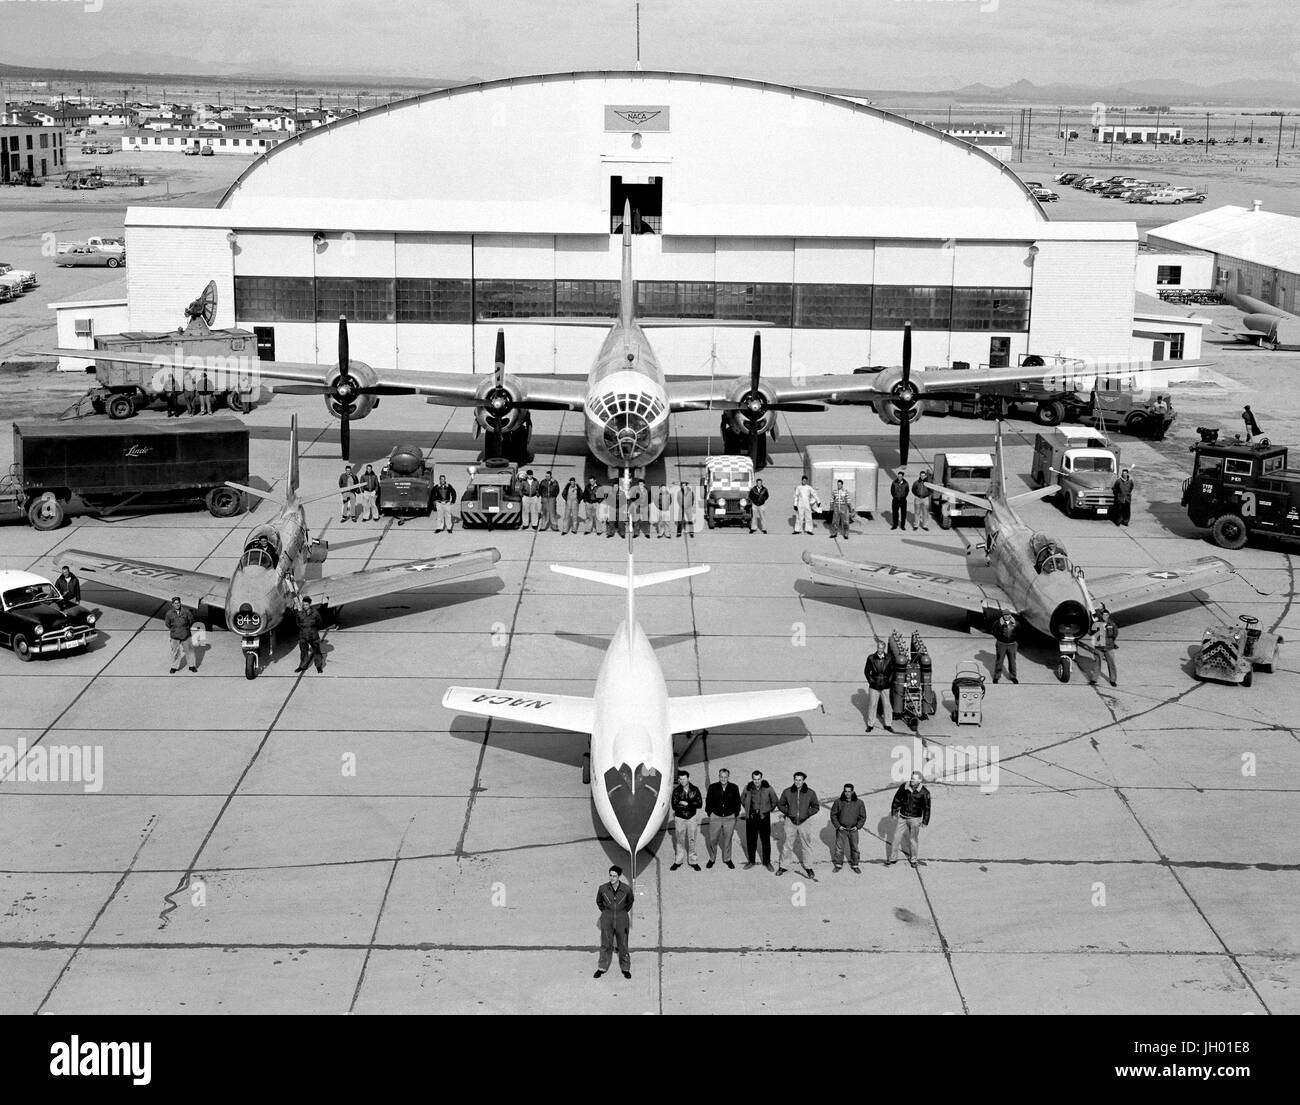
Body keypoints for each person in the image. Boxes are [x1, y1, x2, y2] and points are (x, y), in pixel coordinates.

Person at [776, 771, 820, 879]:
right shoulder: (787, 792)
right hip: (790, 822)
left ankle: (808, 867)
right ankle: (783, 866)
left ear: (803, 780)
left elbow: (816, 806)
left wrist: (807, 814)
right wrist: (789, 812)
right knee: (787, 844)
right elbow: (780, 804)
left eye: (800, 780)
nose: (798, 782)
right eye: (796, 779)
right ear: (793, 780)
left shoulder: (810, 793)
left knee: (806, 845)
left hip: (804, 822)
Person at [593, 865, 634, 980]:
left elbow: (630, 902)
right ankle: (602, 967)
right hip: (607, 918)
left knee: (623, 944)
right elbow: (599, 901)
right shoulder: (603, 888)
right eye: (610, 875)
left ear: (619, 876)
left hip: (622, 918)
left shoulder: (626, 889)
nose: (612, 878)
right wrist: (607, 912)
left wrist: (621, 912)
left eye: (614, 876)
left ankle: (625, 968)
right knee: (605, 944)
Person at [887, 770, 931, 868]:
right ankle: (893, 858)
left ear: (919, 781)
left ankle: (913, 859)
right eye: (911, 778)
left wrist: (925, 821)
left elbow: (927, 808)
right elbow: (897, 799)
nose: (911, 780)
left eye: (914, 779)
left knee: (913, 840)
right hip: (902, 817)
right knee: (896, 837)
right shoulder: (904, 787)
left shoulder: (924, 792)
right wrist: (894, 812)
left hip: (915, 819)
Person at [704, 768, 741, 869]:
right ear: (719, 776)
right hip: (715, 816)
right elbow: (708, 801)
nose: (723, 779)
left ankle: (727, 859)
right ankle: (712, 858)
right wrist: (710, 813)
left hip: (729, 817)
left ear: (728, 777)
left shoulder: (734, 787)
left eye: (725, 777)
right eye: (721, 777)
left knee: (728, 839)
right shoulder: (712, 787)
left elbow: (737, 802)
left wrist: (735, 814)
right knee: (713, 839)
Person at [741, 769, 777, 870]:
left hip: (764, 817)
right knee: (751, 840)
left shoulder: (768, 788)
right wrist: (748, 809)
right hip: (751, 817)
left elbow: (775, 801)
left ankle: (767, 862)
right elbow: (742, 799)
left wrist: (767, 810)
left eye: (758, 779)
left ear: (761, 779)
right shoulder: (747, 788)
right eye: (754, 779)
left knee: (765, 840)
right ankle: (751, 861)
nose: (757, 781)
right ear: (752, 779)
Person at [669, 769, 703, 871]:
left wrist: (686, 803)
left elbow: (700, 804)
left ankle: (693, 861)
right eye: (680, 779)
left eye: (684, 779)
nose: (682, 781)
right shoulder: (676, 791)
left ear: (688, 778)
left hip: (691, 818)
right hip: (679, 818)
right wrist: (690, 805)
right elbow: (675, 806)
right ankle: (678, 861)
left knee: (692, 839)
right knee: (679, 840)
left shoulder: (695, 789)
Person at [830, 783, 866, 873]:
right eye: (845, 791)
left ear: (853, 792)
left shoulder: (859, 803)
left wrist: (858, 827)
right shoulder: (838, 802)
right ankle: (838, 865)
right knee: (839, 848)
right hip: (842, 830)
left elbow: (863, 816)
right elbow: (833, 815)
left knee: (855, 848)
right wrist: (838, 826)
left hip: (853, 830)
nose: (847, 793)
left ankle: (855, 865)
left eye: (849, 791)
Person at [863, 639, 896, 732]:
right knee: (872, 705)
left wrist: (888, 681)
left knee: (887, 705)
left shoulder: (889, 658)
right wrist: (871, 681)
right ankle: (870, 724)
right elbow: (866, 671)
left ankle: (888, 724)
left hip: (885, 685)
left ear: (884, 648)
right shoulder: (871, 658)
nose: (879, 650)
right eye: (878, 648)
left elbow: (892, 671)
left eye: (881, 648)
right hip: (874, 685)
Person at [1087, 605, 1119, 687]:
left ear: (1108, 616)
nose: (1105, 617)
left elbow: (1115, 634)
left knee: (1111, 664)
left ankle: (1113, 680)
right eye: (1104, 615)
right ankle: (1094, 679)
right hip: (1099, 647)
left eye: (1106, 615)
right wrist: (1091, 620)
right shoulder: (1097, 624)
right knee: (1097, 664)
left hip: (1109, 647)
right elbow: (1090, 632)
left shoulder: (1112, 624)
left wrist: (1111, 642)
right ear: (1102, 616)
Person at [163, 596, 196, 673]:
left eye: (178, 603)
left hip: (186, 634)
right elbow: (167, 624)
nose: (177, 604)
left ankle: (192, 666)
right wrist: (174, 629)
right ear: (172, 604)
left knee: (189, 651)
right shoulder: (169, 613)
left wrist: (186, 628)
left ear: (180, 603)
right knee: (175, 652)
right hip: (175, 635)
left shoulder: (186, 612)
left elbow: (191, 620)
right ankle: (174, 667)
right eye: (175, 603)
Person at [294, 596, 325, 673]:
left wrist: (313, 628)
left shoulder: (315, 613)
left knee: (317, 651)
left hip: (313, 635)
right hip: (303, 635)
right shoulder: (300, 613)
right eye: (304, 605)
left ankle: (318, 666)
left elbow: (320, 622)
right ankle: (302, 666)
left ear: (310, 604)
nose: (305, 606)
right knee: (303, 652)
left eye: (306, 605)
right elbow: (297, 623)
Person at [992, 612, 1020, 684]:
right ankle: (996, 676)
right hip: (1001, 644)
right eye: (1005, 615)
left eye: (1008, 615)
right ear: (1003, 615)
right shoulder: (998, 623)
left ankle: (1013, 677)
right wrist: (999, 638)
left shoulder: (1016, 623)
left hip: (1012, 645)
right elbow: (993, 631)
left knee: (1012, 662)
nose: (1006, 616)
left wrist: (1014, 639)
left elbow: (1020, 632)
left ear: (1010, 615)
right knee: (999, 661)